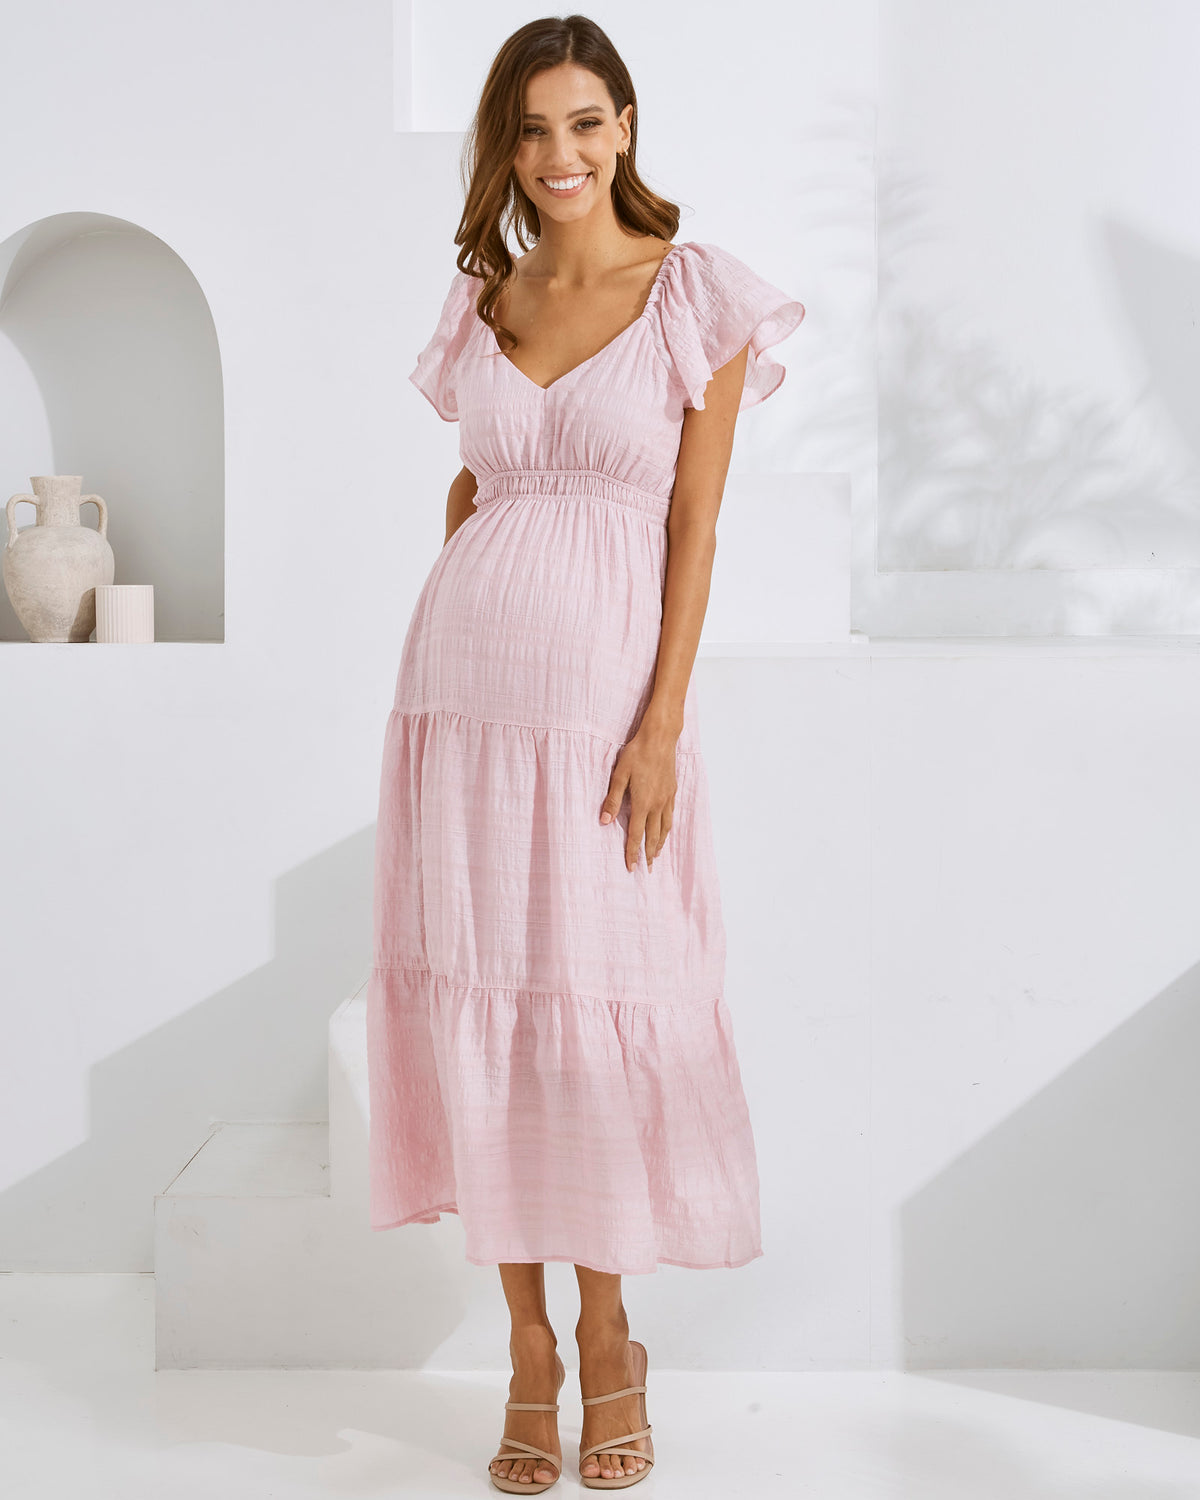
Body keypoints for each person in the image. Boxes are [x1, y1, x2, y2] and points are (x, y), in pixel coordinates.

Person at [365, 13, 805, 1493]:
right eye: (534, 129)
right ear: (506, 144)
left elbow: (695, 526)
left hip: (606, 711)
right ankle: (527, 1348)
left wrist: (661, 721)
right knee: (481, 1006)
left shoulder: (692, 294)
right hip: (460, 707)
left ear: (626, 128)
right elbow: (476, 491)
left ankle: (609, 1336)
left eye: (586, 123)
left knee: (595, 1006)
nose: (561, 155)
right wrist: (475, 581)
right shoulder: (483, 297)